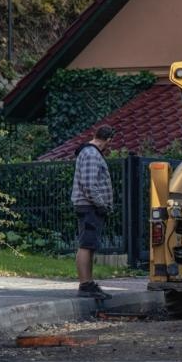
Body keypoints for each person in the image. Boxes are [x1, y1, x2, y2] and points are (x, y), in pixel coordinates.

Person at [72, 125, 115, 298]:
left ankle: (88, 283)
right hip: (89, 206)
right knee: (86, 245)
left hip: (89, 206)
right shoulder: (91, 154)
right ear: (108, 140)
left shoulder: (90, 153)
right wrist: (101, 204)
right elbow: (89, 184)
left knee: (90, 245)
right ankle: (85, 285)